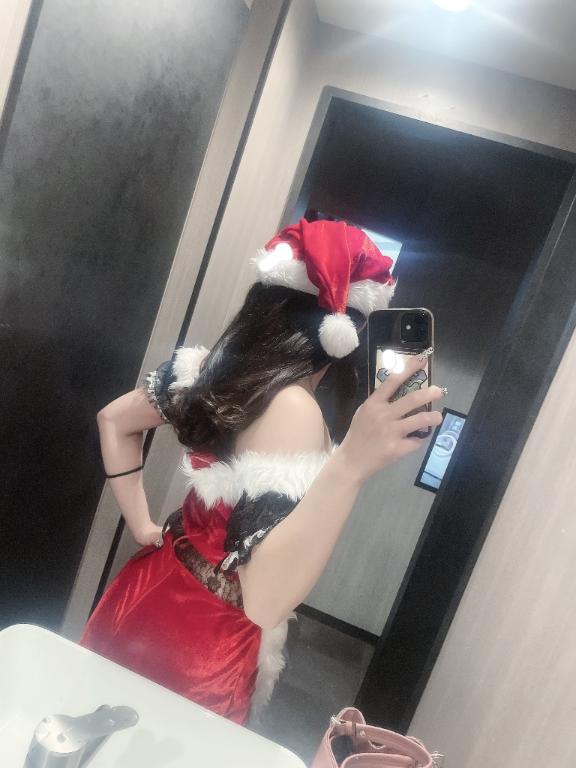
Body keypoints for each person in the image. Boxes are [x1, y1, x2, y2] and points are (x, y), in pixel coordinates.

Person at [80, 218, 445, 724]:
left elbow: (114, 420)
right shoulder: (293, 408)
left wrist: (143, 525)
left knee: (87, 725)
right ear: (347, 332)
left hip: (148, 588)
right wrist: (349, 467)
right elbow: (265, 602)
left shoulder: (211, 370)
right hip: (198, 641)